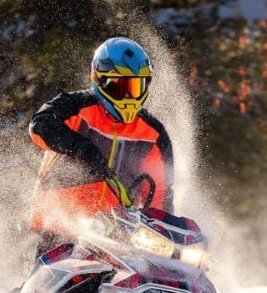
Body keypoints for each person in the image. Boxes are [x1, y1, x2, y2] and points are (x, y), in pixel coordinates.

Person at [28, 37, 175, 256]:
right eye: (119, 87)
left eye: (136, 87)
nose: (128, 96)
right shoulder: (75, 106)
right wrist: (80, 147)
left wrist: (162, 235)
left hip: (113, 236)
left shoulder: (152, 133)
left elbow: (160, 194)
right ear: (100, 79)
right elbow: (40, 126)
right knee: (46, 278)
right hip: (55, 227)